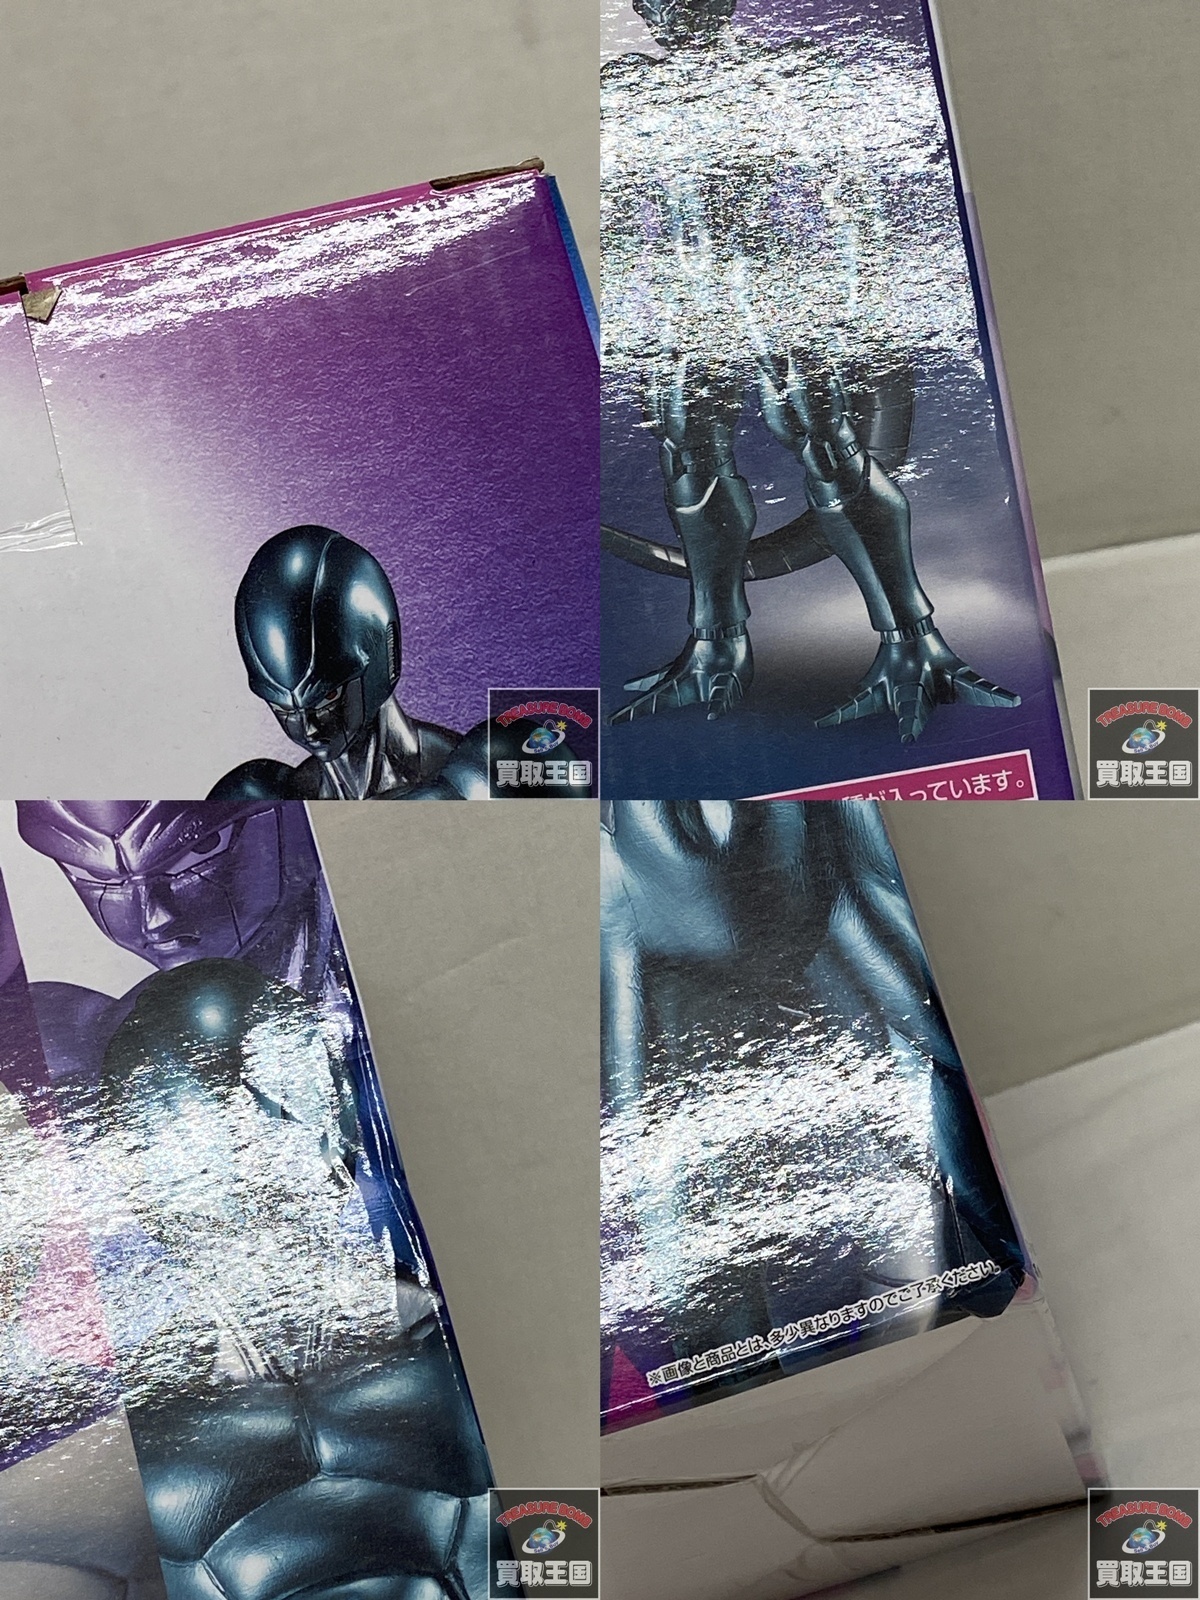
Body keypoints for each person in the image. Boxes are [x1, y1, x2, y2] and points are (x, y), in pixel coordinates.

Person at [602, 0, 1020, 741]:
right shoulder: (627, 85)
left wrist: (859, 300)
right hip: (683, 299)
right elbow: (622, 213)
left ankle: (912, 639)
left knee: (825, 444)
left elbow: (852, 192)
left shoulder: (781, 74)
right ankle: (716, 646)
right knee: (688, 450)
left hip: (776, 290)